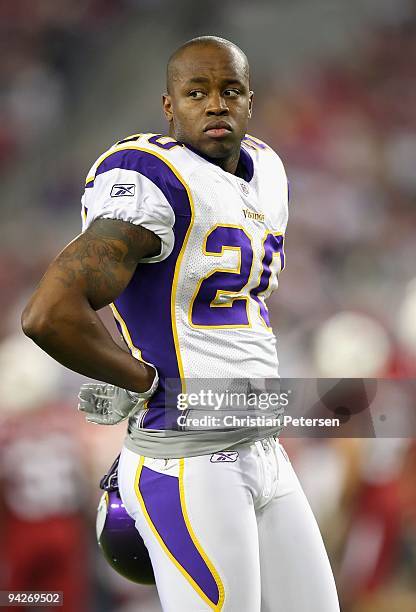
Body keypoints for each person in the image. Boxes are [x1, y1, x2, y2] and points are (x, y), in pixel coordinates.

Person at [22, 36, 340, 611]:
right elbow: (48, 312)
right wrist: (136, 380)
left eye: (229, 91)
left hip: (262, 443)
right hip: (187, 457)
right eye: (196, 93)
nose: (215, 105)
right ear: (169, 107)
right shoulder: (153, 177)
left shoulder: (267, 170)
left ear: (249, 100)